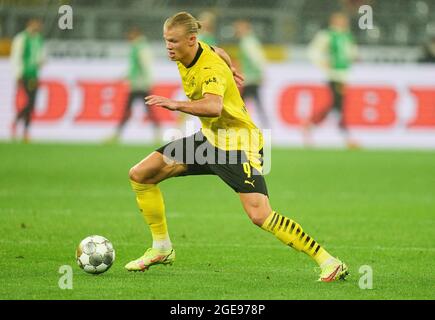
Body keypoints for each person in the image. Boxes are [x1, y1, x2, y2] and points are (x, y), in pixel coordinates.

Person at [124, 12, 348, 282]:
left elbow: (213, 106)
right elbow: (220, 52)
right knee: (141, 174)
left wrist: (175, 104)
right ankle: (162, 248)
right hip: (209, 140)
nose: (168, 46)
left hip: (238, 145)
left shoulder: (208, 68)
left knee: (260, 214)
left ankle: (329, 261)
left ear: (191, 40)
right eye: (165, 40)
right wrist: (230, 68)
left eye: (173, 41)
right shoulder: (198, 51)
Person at [306, 12, 358, 148]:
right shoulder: (327, 35)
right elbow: (312, 51)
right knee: (338, 106)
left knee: (335, 106)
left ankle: (310, 125)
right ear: (334, 21)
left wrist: (354, 57)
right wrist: (322, 63)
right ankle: (348, 138)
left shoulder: (347, 36)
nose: (344, 22)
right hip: (334, 75)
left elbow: (351, 53)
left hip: (344, 76)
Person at [108, 26, 158, 143]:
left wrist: (147, 81)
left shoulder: (140, 47)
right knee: (147, 110)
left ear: (135, 34)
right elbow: (137, 67)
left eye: (130, 35)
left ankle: (117, 135)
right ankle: (157, 133)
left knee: (130, 110)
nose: (128, 38)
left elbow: (145, 65)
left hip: (139, 85)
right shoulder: (138, 47)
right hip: (137, 84)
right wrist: (126, 76)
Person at [10, 18, 45, 143]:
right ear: (30, 24)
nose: (39, 26)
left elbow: (40, 55)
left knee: (32, 104)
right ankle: (18, 123)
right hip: (25, 74)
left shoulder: (39, 38)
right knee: (30, 102)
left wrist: (41, 61)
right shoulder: (21, 38)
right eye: (37, 24)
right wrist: (17, 74)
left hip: (34, 75)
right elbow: (16, 57)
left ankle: (25, 131)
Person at [234, 19, 269, 129]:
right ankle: (265, 126)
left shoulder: (248, 42)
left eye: (239, 28)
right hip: (250, 78)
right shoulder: (249, 41)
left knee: (240, 104)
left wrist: (261, 73)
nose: (237, 31)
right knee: (255, 103)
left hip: (250, 78)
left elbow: (258, 58)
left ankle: (239, 126)